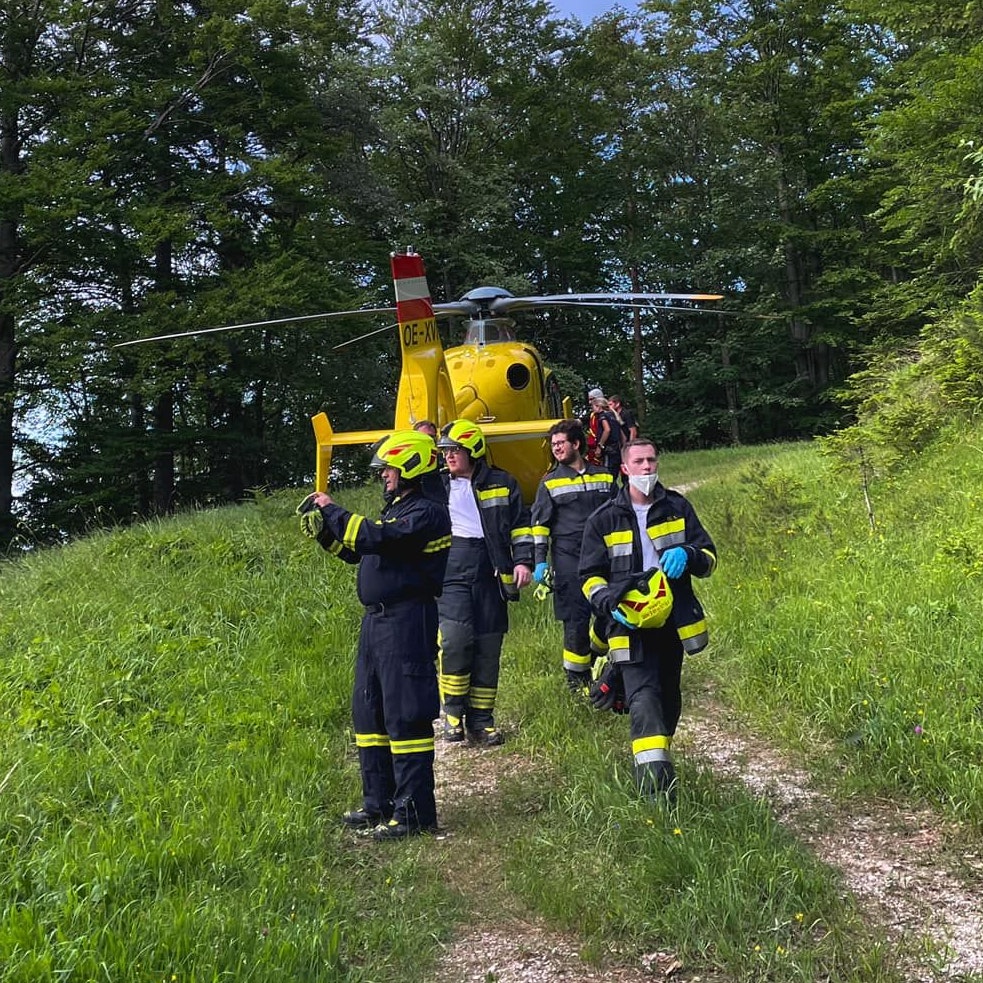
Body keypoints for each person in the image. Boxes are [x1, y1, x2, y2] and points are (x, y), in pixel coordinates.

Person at [298, 429, 452, 840]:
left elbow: (374, 537)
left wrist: (332, 508)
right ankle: (378, 804)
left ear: (412, 468)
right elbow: (357, 550)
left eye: (389, 469)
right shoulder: (401, 507)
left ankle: (415, 812)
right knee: (370, 715)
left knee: (405, 715)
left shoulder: (427, 512)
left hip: (407, 622)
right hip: (377, 624)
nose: (384, 475)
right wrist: (323, 533)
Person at [579, 438, 717, 801]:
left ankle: (658, 759)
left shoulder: (677, 507)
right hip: (626, 624)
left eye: (651, 460)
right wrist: (607, 597)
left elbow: (709, 557)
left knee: (669, 697)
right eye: (638, 461)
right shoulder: (604, 518)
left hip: (671, 621)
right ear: (624, 468)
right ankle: (657, 794)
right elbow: (588, 576)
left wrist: (688, 554)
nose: (646, 467)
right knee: (643, 698)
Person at [436, 419, 533, 746]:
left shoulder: (503, 482)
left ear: (474, 451)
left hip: (492, 572)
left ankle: (481, 719)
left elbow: (521, 525)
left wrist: (522, 560)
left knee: (489, 648)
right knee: (456, 640)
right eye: (446, 450)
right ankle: (452, 712)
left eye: (455, 450)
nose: (448, 456)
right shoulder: (436, 486)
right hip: (452, 571)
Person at [530, 419, 616, 693]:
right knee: (575, 622)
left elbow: (620, 514)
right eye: (553, 444)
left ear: (576, 444)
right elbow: (540, 526)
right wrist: (540, 561)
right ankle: (577, 684)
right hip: (569, 561)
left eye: (560, 443)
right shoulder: (549, 484)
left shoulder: (604, 476)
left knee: (610, 613)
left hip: (604, 558)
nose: (556, 448)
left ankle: (597, 656)